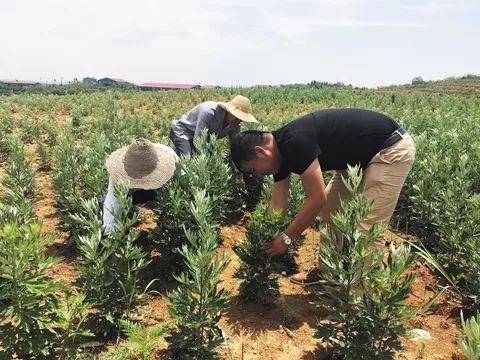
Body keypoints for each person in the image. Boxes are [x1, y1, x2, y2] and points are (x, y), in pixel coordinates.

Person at [230, 108, 416, 285]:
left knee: (367, 229)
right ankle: (329, 273)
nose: (258, 175)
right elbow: (278, 203)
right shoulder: (279, 155)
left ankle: (360, 305)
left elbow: (317, 199)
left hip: (389, 149)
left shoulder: (295, 142)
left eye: (254, 169)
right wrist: (266, 234)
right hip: (357, 159)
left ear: (261, 152)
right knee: (330, 211)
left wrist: (287, 238)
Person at [102, 138, 179, 235]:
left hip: (161, 190)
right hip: (135, 193)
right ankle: (130, 213)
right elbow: (112, 201)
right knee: (103, 203)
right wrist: (111, 231)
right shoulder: (118, 172)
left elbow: (183, 184)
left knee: (175, 197)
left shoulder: (170, 157)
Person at [169, 95, 258, 156]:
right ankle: (170, 158)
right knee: (187, 160)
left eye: (241, 118)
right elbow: (199, 141)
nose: (239, 120)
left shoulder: (235, 124)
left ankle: (177, 152)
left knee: (204, 156)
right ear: (229, 111)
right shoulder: (209, 112)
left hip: (200, 137)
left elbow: (234, 144)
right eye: (237, 117)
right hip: (183, 131)